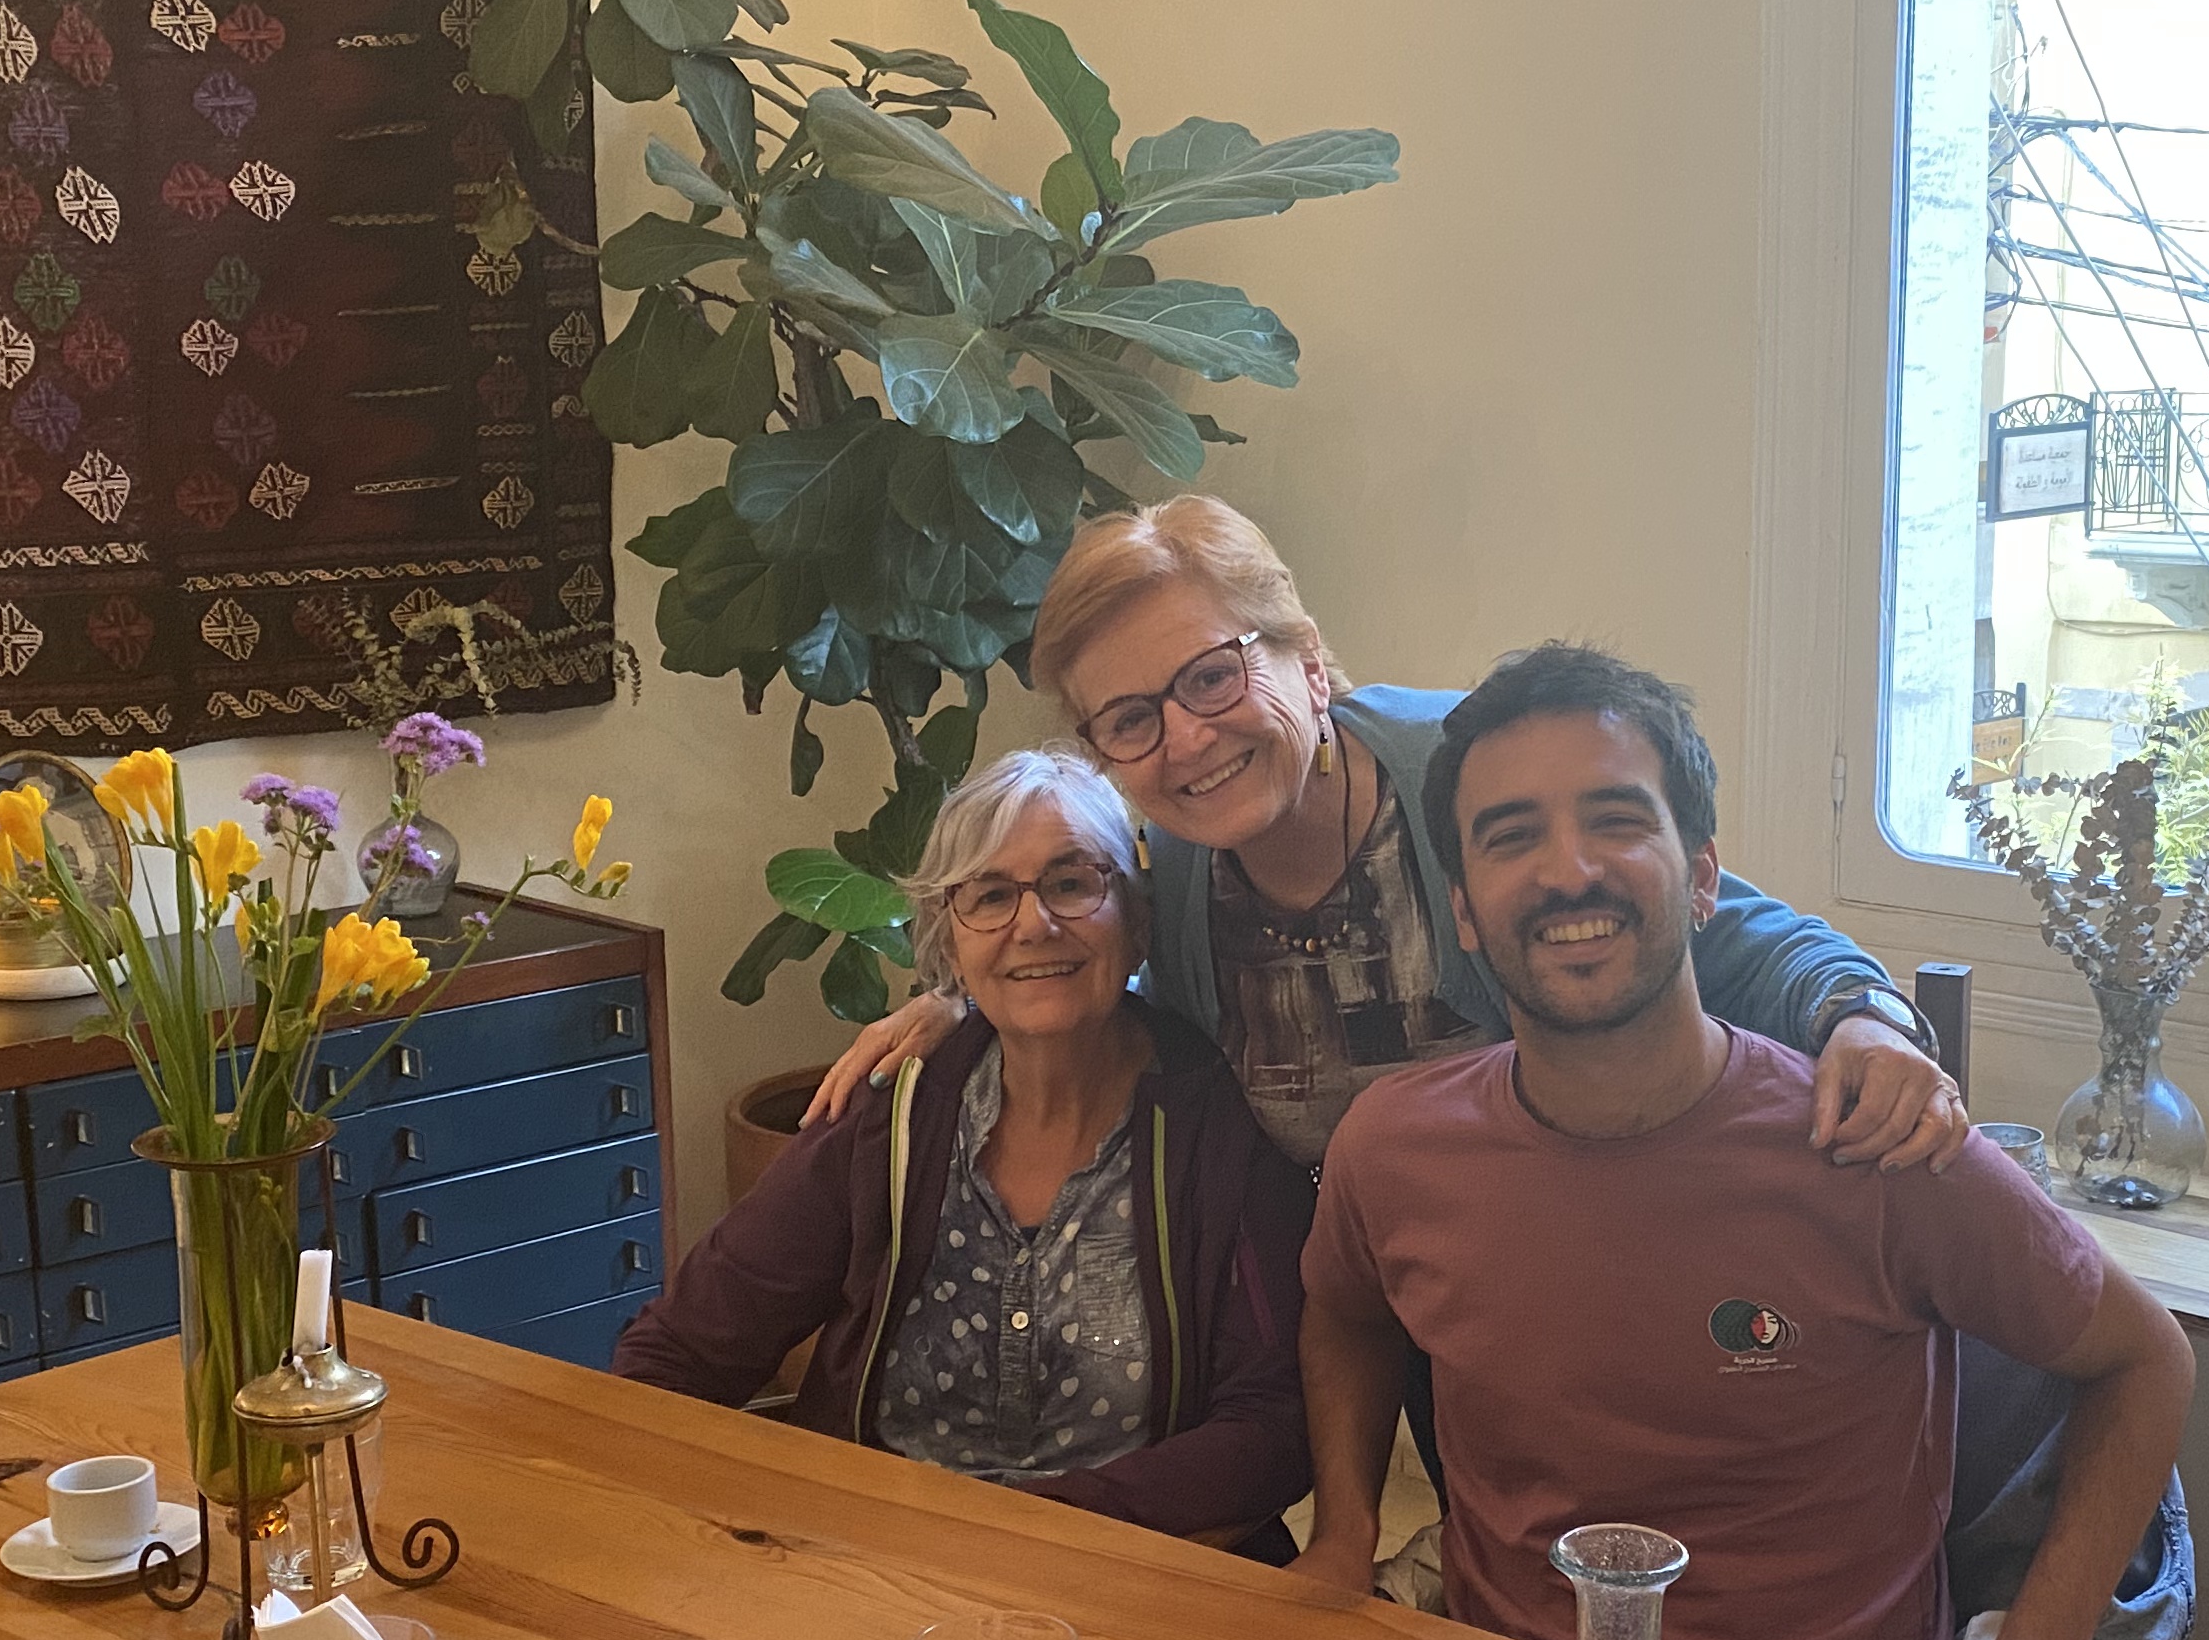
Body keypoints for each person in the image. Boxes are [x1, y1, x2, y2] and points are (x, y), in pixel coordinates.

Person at [1291, 642, 2196, 1640]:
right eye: (1511, 838)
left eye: (1615, 820)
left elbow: (2144, 1357)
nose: (1569, 871)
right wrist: (1343, 1531)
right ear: (1464, 912)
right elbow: (1346, 1315)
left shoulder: (1873, 1145)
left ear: (1704, 878)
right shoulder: (1394, 1148)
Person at [804, 494, 1968, 1178]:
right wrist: (969, 1004)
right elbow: (1133, 995)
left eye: (1212, 676)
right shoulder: (1183, 865)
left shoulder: (1464, 772)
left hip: (1599, 1227)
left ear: (1307, 662)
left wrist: (1864, 1019)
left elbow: (1727, 928)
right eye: (1130, 719)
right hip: (1397, 1292)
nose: (1186, 739)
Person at [614, 751, 1313, 1553]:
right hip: (872, 1568)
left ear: (1139, 920)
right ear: (949, 943)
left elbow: (1272, 1428)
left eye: (1071, 882)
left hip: (1121, 1569)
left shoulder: (1221, 1126)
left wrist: (1029, 1532)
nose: (1033, 924)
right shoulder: (892, 1115)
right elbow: (680, 1351)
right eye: (990, 896)